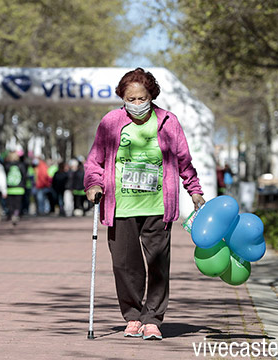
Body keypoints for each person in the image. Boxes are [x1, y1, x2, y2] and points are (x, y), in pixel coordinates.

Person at [84, 68, 205, 340]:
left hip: (157, 205)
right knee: (125, 265)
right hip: (122, 206)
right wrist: (93, 184)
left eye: (142, 98)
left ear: (152, 96)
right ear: (122, 98)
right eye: (131, 99)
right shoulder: (110, 122)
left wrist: (194, 190)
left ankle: (153, 318)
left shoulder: (168, 122)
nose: (137, 104)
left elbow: (183, 160)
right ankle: (133, 315)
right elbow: (95, 161)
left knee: (158, 265)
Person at [4, 151, 27, 225]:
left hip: (10, 188)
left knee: (10, 203)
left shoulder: (7, 165)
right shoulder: (21, 165)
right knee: (18, 203)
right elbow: (24, 176)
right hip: (19, 188)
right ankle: (16, 214)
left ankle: (11, 214)